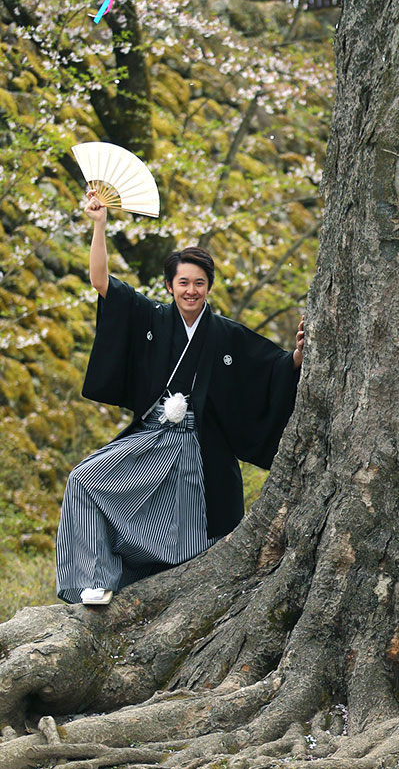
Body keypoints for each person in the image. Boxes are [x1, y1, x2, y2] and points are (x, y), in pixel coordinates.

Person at [56, 191, 305, 605]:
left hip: (200, 443)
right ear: (170, 285)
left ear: (209, 287)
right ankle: (93, 581)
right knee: (83, 482)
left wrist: (296, 356)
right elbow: (102, 283)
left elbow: (272, 368)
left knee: (196, 536)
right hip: (153, 437)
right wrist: (99, 225)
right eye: (183, 282)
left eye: (199, 283)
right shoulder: (151, 318)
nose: (191, 291)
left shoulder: (227, 334)